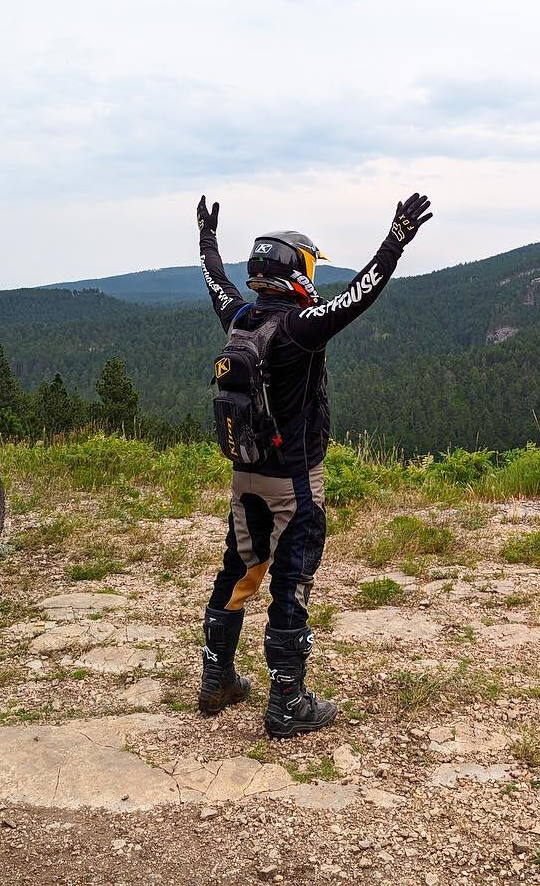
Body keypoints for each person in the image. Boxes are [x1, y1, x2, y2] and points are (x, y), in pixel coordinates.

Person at [194, 192, 433, 737]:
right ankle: (287, 702)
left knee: (238, 572)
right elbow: (359, 295)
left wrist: (207, 239)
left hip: (245, 474)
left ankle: (217, 678)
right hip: (294, 481)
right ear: (296, 268)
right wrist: (396, 239)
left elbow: (215, 281)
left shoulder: (240, 318)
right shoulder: (301, 327)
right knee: (291, 582)